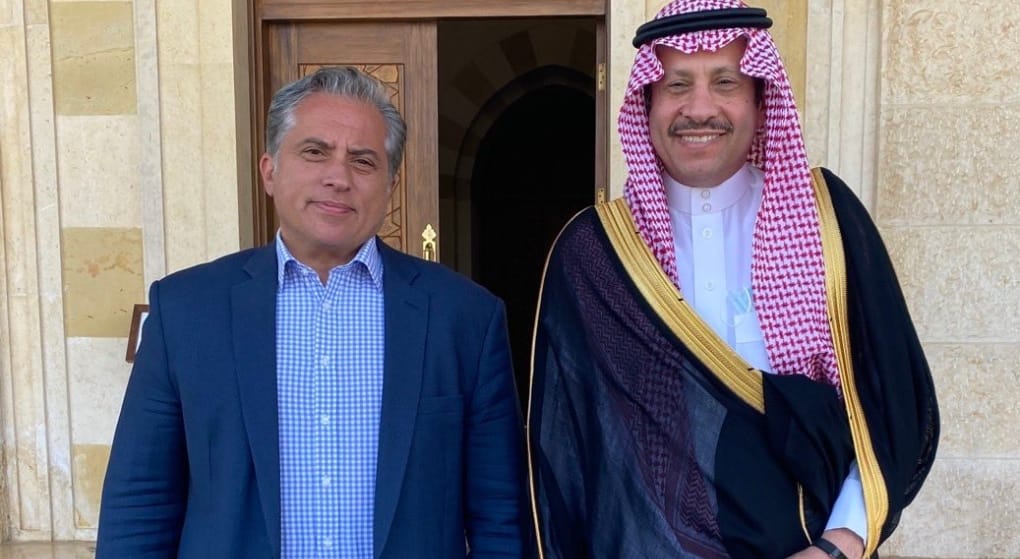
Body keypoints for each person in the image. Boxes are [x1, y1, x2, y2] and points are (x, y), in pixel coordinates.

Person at [527, 2, 939, 558]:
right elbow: (566, 449)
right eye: (677, 85)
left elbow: (891, 405)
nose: (700, 109)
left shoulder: (828, 221)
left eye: (725, 82)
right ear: (647, 103)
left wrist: (838, 544)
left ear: (760, 99)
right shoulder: (596, 251)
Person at [97, 66, 530, 558]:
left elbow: (500, 517)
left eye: (363, 161)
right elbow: (140, 503)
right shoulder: (185, 311)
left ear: (390, 186)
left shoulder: (466, 318)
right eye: (314, 152)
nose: (338, 178)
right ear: (270, 171)